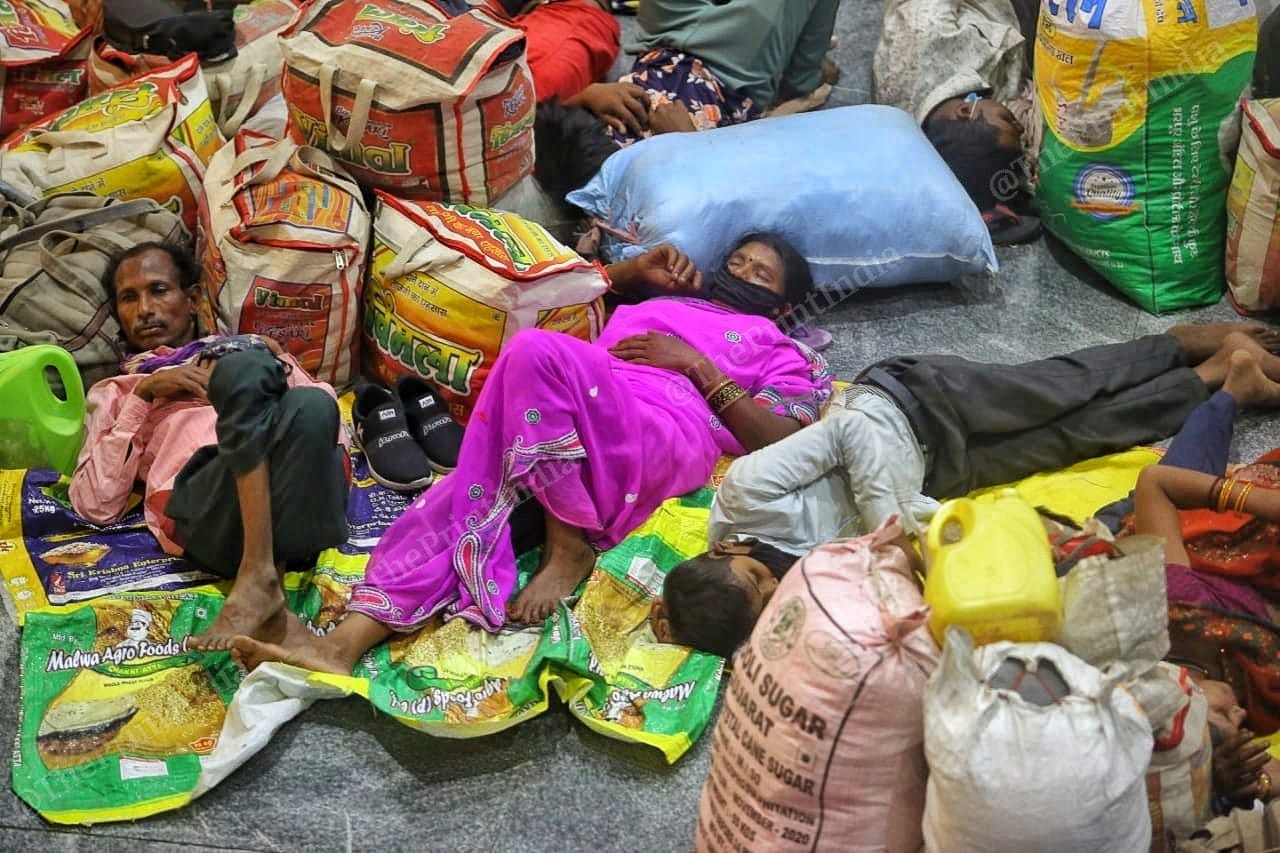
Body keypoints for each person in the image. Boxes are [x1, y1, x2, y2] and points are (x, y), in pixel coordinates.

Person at [229, 232, 832, 675]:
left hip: (663, 428)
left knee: (536, 351)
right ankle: (342, 646)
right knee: (466, 499)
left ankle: (567, 545)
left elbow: (780, 438)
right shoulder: (650, 302)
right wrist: (635, 269)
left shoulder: (779, 347)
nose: (740, 272)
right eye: (735, 261)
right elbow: (571, 292)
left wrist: (696, 365)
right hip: (572, 422)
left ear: (782, 306)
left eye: (759, 275)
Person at [651, 325, 1280, 656]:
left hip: (906, 405)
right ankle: (1217, 375)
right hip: (937, 477)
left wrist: (888, 527)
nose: (771, 578)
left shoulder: (746, 497)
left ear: (720, 550)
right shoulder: (783, 606)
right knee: (1081, 437)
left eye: (755, 577)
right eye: (767, 598)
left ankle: (1181, 341)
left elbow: (848, 435)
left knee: (1065, 387)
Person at [69, 242, 350, 650]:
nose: (145, 308)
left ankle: (260, 580)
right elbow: (93, 505)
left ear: (193, 298)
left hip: (305, 505)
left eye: (159, 290)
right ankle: (263, 574)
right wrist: (146, 395)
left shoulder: (250, 351)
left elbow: (327, 425)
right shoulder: (118, 391)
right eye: (129, 297)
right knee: (252, 373)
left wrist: (275, 367)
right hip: (212, 518)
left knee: (308, 400)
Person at [872, 0, 1040, 243]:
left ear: (964, 111)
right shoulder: (966, 132)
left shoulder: (924, 36)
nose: (1020, 126)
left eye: (1008, 120)